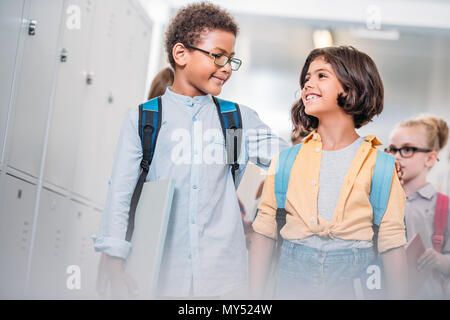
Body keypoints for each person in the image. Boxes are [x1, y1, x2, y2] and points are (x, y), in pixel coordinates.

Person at [93, 2, 288, 299]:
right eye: (218, 56)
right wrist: (115, 259)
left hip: (223, 278)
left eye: (231, 59)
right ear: (181, 54)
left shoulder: (235, 121)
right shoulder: (146, 119)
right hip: (159, 275)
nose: (226, 68)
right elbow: (120, 194)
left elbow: (290, 161)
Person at [249, 46, 408, 299]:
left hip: (355, 278)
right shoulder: (286, 160)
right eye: (306, 78)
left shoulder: (382, 166)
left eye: (321, 75)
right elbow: (264, 231)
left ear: (351, 86)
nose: (308, 84)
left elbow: (392, 242)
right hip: (292, 277)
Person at [388, 115, 450, 299]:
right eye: (392, 149)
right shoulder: (379, 201)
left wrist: (442, 261)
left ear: (430, 159)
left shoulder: (444, 206)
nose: (396, 156)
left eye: (407, 149)